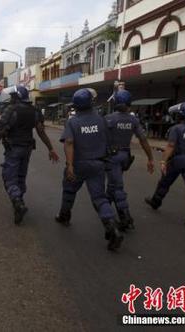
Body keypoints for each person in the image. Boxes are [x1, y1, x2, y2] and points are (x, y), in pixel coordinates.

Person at [55, 88, 123, 251]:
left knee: (69, 190)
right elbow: (110, 141)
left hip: (79, 164)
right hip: (98, 164)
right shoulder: (102, 120)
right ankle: (112, 226)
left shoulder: (73, 121)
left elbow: (69, 143)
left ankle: (64, 216)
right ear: (91, 103)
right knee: (99, 198)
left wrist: (70, 165)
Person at [0, 85, 59, 225]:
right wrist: (51, 148)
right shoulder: (34, 111)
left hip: (14, 148)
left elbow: (2, 131)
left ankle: (18, 202)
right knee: (21, 176)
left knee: (8, 177)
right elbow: (41, 131)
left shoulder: (11, 110)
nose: (11, 98)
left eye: (13, 96)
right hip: (27, 149)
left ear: (17, 97)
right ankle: (19, 202)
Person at [145, 102, 185, 230]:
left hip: (178, 159)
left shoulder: (176, 129)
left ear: (182, 115)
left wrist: (163, 161)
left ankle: (155, 202)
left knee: (165, 182)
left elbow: (171, 146)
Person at [105, 90, 154, 230]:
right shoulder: (133, 120)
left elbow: (100, 139)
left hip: (111, 157)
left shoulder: (108, 118)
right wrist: (150, 158)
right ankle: (105, 207)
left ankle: (125, 217)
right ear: (129, 104)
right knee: (114, 183)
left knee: (117, 186)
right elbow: (143, 140)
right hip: (125, 156)